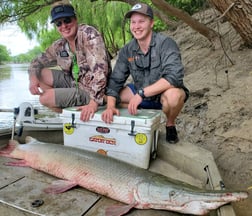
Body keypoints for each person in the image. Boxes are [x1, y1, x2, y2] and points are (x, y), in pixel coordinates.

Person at [101, 3, 189, 144]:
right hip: (138, 91)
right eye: (133, 22)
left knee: (174, 97)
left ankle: (170, 124)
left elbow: (174, 77)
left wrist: (141, 94)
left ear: (152, 23)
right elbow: (115, 81)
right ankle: (141, 109)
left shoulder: (166, 43)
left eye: (141, 21)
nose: (136, 26)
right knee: (106, 98)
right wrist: (110, 106)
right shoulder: (127, 50)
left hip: (162, 93)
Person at [28, 2, 110, 122]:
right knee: (41, 74)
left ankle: (79, 114)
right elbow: (36, 61)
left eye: (67, 20)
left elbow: (101, 71)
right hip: (75, 83)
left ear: (75, 19)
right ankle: (70, 115)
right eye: (59, 23)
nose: (64, 26)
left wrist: (94, 102)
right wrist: (32, 79)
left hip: (94, 90)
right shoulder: (59, 45)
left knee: (44, 99)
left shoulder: (88, 34)